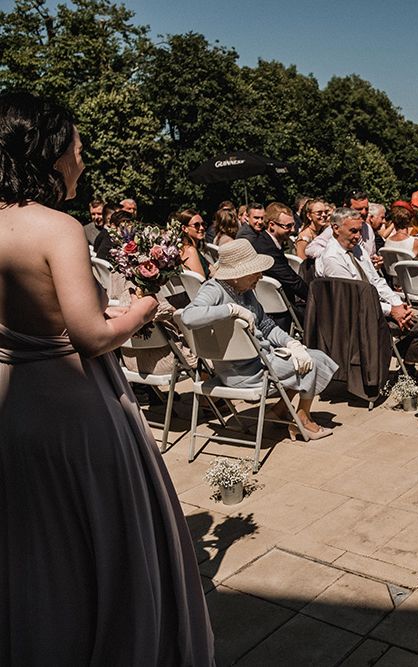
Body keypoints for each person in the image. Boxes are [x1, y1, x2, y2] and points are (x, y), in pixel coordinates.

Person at [0, 91, 213, 664]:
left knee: (39, 549)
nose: (82, 159)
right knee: (106, 543)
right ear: (48, 150)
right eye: (76, 145)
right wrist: (144, 308)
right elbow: (91, 336)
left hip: (12, 411)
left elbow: (44, 319)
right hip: (76, 410)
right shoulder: (58, 228)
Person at [181, 239, 337, 440]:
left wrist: (291, 343)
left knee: (308, 356)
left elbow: (266, 326)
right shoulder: (214, 289)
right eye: (255, 271)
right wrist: (230, 310)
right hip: (242, 371)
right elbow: (188, 316)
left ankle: (279, 411)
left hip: (261, 361)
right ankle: (303, 421)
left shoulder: (244, 291)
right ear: (236, 275)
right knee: (313, 362)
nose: (260, 276)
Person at [316, 207, 418, 370]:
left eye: (359, 231)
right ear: (336, 228)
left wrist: (397, 304)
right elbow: (354, 299)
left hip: (374, 307)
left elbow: (376, 281)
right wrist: (391, 310)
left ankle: (405, 364)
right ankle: (399, 361)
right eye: (353, 231)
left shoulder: (357, 248)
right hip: (356, 315)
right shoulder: (332, 258)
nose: (358, 236)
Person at [253, 202, 308, 330]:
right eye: (287, 226)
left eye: (293, 225)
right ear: (272, 225)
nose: (293, 230)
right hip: (279, 313)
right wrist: (316, 297)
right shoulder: (268, 250)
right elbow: (294, 282)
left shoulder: (263, 241)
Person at [178, 208, 211, 279]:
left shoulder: (189, 248)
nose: (202, 228)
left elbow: (212, 269)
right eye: (196, 225)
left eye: (203, 224)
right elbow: (201, 282)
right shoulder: (190, 250)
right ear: (184, 228)